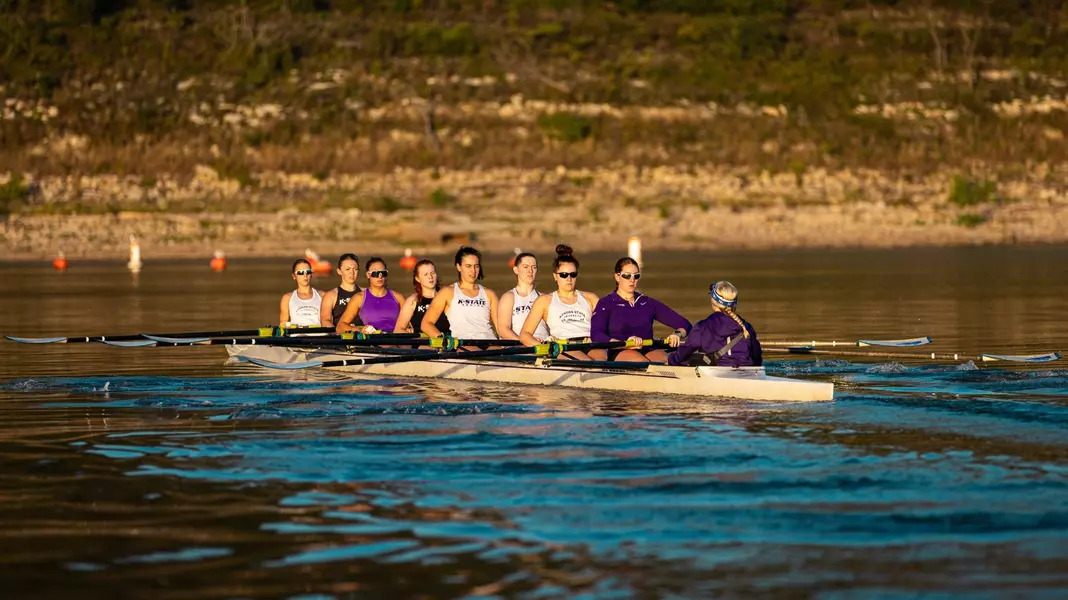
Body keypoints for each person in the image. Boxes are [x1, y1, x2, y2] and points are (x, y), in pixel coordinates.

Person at [588, 257, 691, 362]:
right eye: (627, 276)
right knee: (643, 364)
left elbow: (685, 324)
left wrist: (676, 335)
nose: (632, 280)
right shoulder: (606, 303)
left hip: (648, 348)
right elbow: (596, 334)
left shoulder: (647, 302)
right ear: (617, 276)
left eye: (636, 276)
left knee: (670, 362)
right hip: (620, 350)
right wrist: (624, 344)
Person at [519, 245, 599, 360]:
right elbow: (525, 334)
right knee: (589, 363)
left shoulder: (591, 298)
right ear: (555, 276)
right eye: (564, 275)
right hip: (563, 347)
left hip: (592, 344)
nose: (569, 279)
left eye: (573, 274)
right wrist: (544, 347)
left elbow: (606, 328)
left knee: (601, 361)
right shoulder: (545, 301)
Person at [668, 280, 763, 367]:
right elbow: (757, 357)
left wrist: (672, 360)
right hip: (747, 370)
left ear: (713, 301)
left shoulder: (702, 326)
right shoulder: (746, 327)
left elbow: (685, 352)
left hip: (718, 372)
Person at [421, 246, 499, 341]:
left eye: (476, 266)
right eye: (468, 266)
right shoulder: (447, 292)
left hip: (490, 342)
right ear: (458, 267)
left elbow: (500, 327)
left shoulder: (490, 294)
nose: (473, 271)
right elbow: (426, 324)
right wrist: (443, 340)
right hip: (463, 344)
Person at [335, 257, 406, 333]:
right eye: (375, 273)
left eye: (383, 273)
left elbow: (410, 324)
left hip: (396, 340)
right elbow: (340, 327)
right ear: (368, 275)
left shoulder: (398, 297)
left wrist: (408, 329)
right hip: (372, 342)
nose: (380, 276)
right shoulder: (359, 298)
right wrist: (360, 330)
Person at [497, 251, 550, 341]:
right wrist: (526, 342)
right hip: (519, 346)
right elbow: (503, 330)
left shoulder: (544, 298)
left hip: (544, 344)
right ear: (516, 270)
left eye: (534, 267)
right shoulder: (509, 297)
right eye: (525, 267)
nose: (530, 271)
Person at [394, 258, 450, 334]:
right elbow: (398, 330)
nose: (430, 277)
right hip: (423, 344)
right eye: (425, 274)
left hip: (448, 342)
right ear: (417, 279)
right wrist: (414, 339)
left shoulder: (447, 296)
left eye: (432, 273)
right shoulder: (412, 301)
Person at [319, 253, 362, 328]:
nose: (352, 272)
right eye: (347, 269)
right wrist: (338, 332)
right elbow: (325, 321)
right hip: (341, 337)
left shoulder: (364, 293)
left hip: (364, 336)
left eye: (355, 269)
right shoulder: (331, 295)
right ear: (339, 271)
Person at [279, 258, 322, 327]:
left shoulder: (323, 296)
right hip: (297, 336)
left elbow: (328, 321)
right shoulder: (287, 298)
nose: (305, 276)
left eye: (308, 272)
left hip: (319, 336)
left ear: (311, 274)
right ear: (294, 276)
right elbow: (283, 324)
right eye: (300, 273)